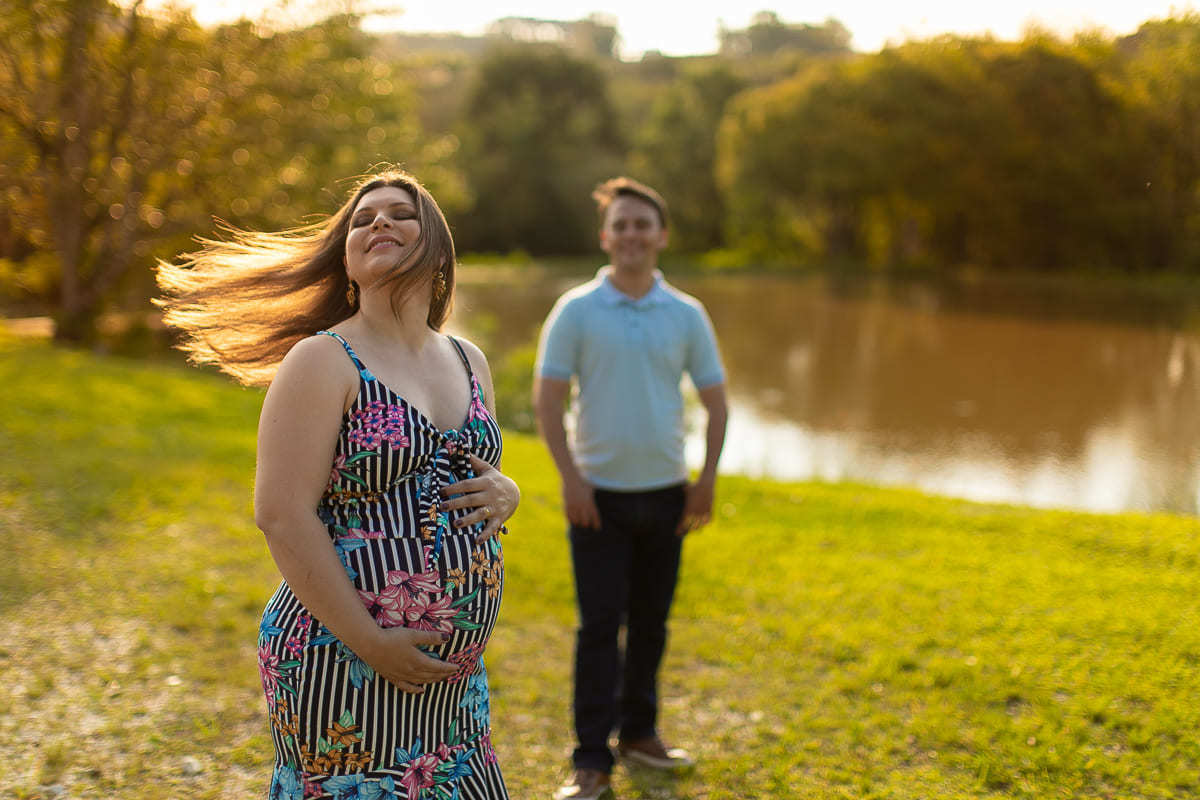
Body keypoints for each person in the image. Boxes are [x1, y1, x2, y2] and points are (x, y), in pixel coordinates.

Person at [157, 169, 519, 799]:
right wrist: (371, 641)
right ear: (347, 263)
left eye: (400, 213)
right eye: (362, 218)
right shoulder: (323, 360)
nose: (379, 221)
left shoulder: (470, 359)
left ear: (436, 246)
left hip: (451, 677)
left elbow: (472, 474)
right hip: (341, 657)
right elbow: (281, 513)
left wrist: (507, 491)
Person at [533, 177, 728, 800]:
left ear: (662, 235)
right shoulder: (576, 309)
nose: (632, 235)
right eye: (621, 225)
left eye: (642, 224)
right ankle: (591, 759)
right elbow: (547, 401)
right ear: (604, 236)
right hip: (599, 500)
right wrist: (572, 482)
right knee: (599, 629)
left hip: (669, 496)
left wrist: (705, 481)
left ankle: (640, 733)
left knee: (651, 623)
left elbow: (717, 404)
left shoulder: (687, 313)